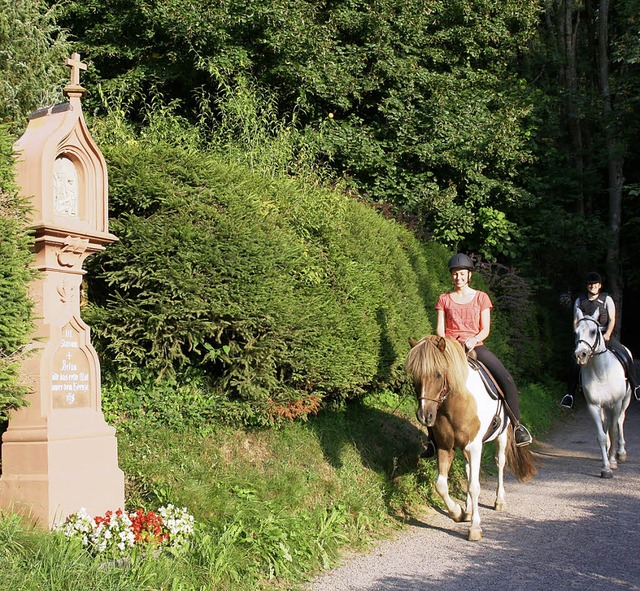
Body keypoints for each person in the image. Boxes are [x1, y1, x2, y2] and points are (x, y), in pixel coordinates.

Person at [429, 253, 532, 451]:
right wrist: (450, 344)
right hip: (451, 349)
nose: (458, 277)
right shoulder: (444, 299)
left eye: (461, 274)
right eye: (454, 274)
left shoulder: (481, 298)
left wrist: (474, 340)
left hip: (475, 346)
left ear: (469, 275)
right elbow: (440, 330)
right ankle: (432, 439)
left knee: (507, 380)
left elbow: (485, 328)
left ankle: (517, 426)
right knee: (429, 383)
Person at [561, 272, 640, 409]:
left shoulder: (606, 299)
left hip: (603, 334)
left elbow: (612, 319)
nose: (592, 286)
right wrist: (579, 334)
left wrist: (608, 333)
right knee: (574, 362)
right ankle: (570, 395)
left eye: (595, 284)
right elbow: (575, 320)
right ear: (587, 286)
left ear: (599, 286)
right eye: (590, 284)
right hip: (587, 338)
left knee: (625, 354)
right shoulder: (580, 300)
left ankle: (635, 386)